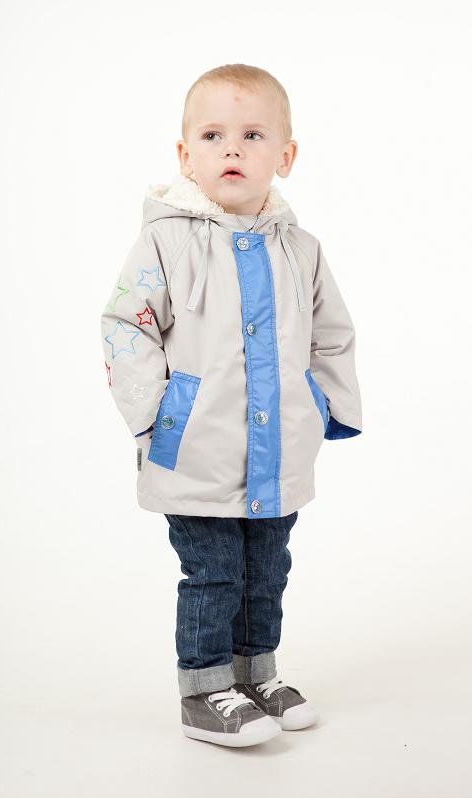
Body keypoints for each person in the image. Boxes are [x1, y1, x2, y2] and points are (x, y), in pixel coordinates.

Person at [100, 63, 362, 747]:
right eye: (213, 135)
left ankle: (255, 674)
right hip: (196, 448)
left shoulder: (301, 250)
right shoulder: (165, 241)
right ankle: (203, 688)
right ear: (185, 154)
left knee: (266, 571)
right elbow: (127, 324)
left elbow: (332, 333)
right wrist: (157, 416)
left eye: (252, 135)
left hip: (278, 453)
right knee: (212, 572)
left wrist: (322, 406)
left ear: (286, 156)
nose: (232, 149)